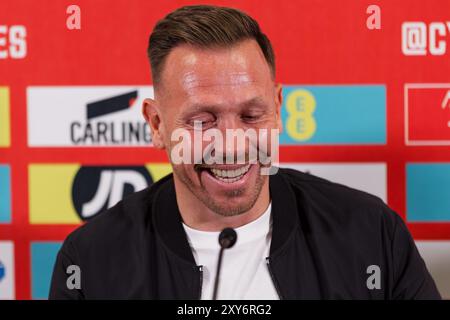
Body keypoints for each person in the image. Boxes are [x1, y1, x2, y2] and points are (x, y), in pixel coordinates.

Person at [49, 5, 440, 299]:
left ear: (278, 108)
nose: (233, 143)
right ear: (157, 125)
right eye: (203, 120)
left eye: (252, 115)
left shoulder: (372, 234)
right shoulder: (91, 260)